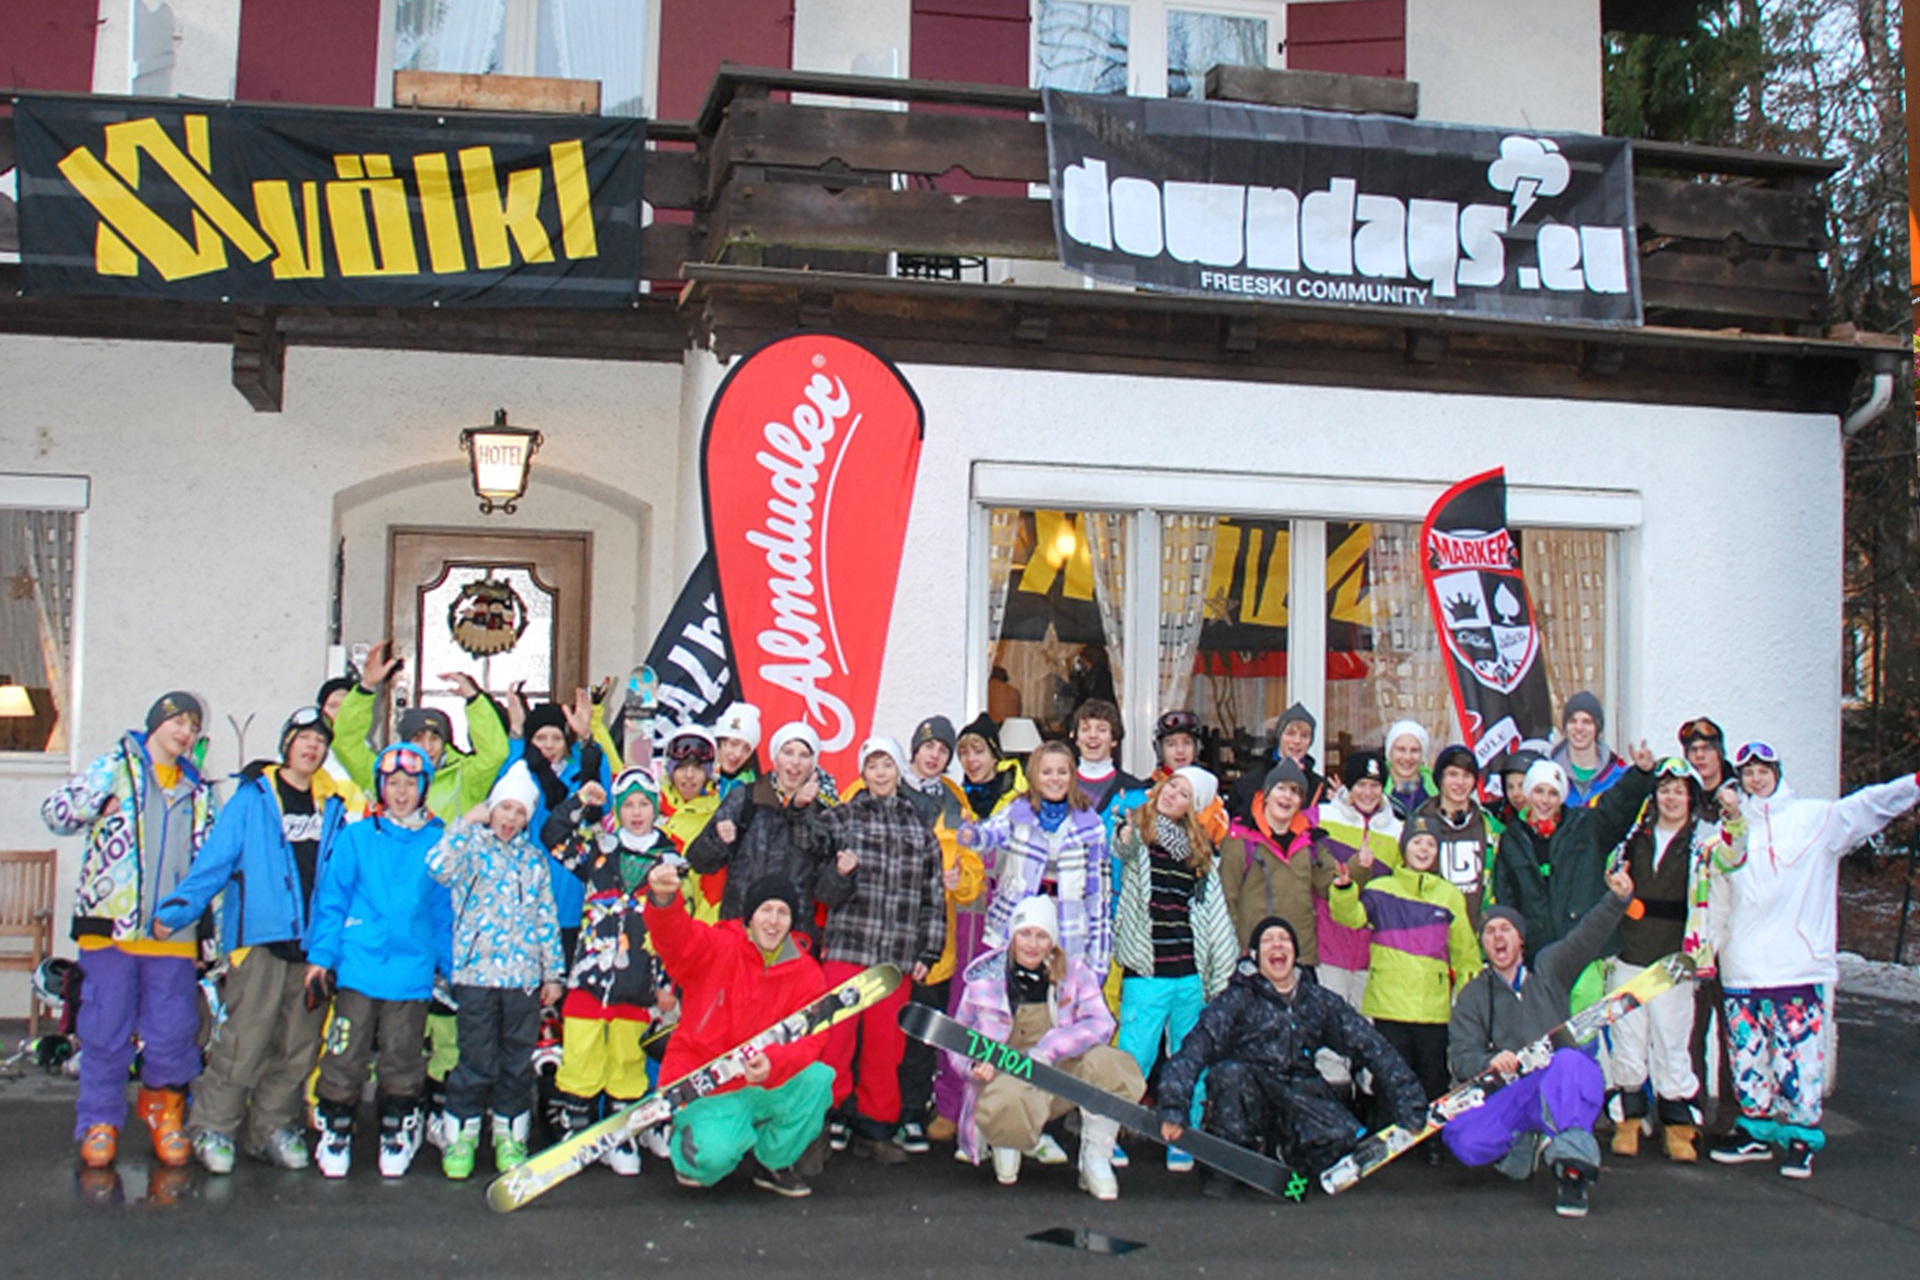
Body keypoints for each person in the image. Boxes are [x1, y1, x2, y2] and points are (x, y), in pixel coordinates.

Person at [150, 707, 354, 1174]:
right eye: (304, 738)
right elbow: (216, 861)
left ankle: (272, 1127)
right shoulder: (254, 798)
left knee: (297, 1046)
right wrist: (178, 910)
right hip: (260, 940)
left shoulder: (334, 806)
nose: (312, 747)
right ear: (286, 744)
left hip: (314, 949)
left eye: (320, 741)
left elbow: (345, 880)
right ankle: (213, 1126)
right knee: (244, 1040)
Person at [1708, 741, 1919, 1178]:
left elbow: (1868, 806)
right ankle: (1755, 1130)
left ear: (1777, 772)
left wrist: (1912, 785)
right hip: (1743, 965)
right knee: (1747, 1056)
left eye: (1764, 771)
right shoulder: (1730, 828)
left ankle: (1801, 1137)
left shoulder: (1814, 819)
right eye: (1748, 773)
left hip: (1797, 965)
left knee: (1798, 1058)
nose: (1756, 780)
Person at [42, 691, 217, 1170]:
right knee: (105, 1029)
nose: (185, 733)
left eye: (193, 727)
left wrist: (209, 932)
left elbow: (210, 866)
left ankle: (165, 1112)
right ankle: (99, 1120)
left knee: (173, 1030)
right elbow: (56, 813)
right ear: (155, 723)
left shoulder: (198, 788)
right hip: (109, 928)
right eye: (178, 722)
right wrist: (94, 804)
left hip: (171, 932)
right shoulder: (113, 768)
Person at [1156, 916, 1426, 1198]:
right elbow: (1193, 1050)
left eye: (1284, 940)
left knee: (1341, 1138)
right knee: (1230, 1075)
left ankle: (1283, 1154)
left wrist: (1408, 1099)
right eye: (1268, 940)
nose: (1278, 946)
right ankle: (1229, 1165)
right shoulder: (1235, 999)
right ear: (1255, 955)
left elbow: (1371, 1046)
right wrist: (1173, 1107)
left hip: (1298, 1091)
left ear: (1295, 953)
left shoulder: (1317, 1000)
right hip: (1248, 1092)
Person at [1443, 872, 1637, 1219]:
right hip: (1513, 1090)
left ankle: (1573, 1171)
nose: (1498, 937)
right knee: (1463, 1139)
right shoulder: (1473, 994)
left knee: (1571, 1061)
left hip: (1558, 1081)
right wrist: (1489, 1061)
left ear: (1520, 938)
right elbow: (1461, 1056)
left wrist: (1616, 899)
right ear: (1482, 943)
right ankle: (1523, 1143)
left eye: (1506, 929)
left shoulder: (1550, 969)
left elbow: (1587, 937)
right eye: (1489, 931)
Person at [305, 742, 452, 1179]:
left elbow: (443, 912)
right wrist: (321, 956)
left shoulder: (437, 841)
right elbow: (332, 899)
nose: (401, 793)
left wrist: (452, 966)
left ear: (424, 788)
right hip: (359, 963)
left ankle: (397, 1123)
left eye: (410, 784)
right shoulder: (356, 837)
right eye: (393, 783)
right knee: (346, 1048)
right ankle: (336, 1124)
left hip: (411, 968)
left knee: (402, 1051)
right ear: (380, 787)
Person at [643, 864, 835, 1198]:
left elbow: (812, 1039)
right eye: (766, 910)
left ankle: (773, 1162)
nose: (773, 921)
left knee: (818, 1079)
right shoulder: (717, 946)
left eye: (783, 912)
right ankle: (692, 1140)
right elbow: (676, 940)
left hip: (764, 1081)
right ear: (750, 915)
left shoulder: (805, 972)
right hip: (705, 1086)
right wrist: (663, 900)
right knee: (707, 1163)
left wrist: (774, 1063)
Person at [952, 895, 1145, 1200]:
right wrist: (974, 1066)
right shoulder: (985, 980)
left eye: (1041, 936)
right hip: (1007, 1077)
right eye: (1025, 934)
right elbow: (957, 1037)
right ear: (1012, 936)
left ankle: (1095, 1156)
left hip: (1058, 1074)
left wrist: (1050, 1048)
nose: (1032, 944)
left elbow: (1102, 1023)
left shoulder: (1075, 972)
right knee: (1006, 1161)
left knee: (1109, 1064)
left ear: (1053, 940)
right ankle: (1006, 1141)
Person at [426, 762, 566, 1179]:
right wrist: (465, 823)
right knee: (475, 1058)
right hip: (476, 976)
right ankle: (461, 1134)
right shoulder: (471, 848)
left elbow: (545, 917)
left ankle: (509, 1133)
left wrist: (552, 973)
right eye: (505, 808)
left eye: (519, 812)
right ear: (492, 808)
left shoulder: (534, 861)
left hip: (522, 980)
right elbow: (437, 866)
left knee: (516, 1061)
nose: (510, 818)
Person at [813, 737, 947, 1163]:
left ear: (899, 770)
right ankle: (826, 1118)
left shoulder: (919, 827)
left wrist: (929, 951)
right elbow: (819, 880)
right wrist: (837, 872)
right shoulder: (841, 818)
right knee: (835, 1041)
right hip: (847, 946)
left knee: (885, 1047)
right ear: (863, 773)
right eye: (872, 766)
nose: (880, 773)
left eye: (887, 764)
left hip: (895, 955)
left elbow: (933, 896)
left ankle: (876, 1126)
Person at [1607, 759, 1746, 1163]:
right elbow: (1610, 877)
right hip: (1629, 955)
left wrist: (1734, 817)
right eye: (1664, 790)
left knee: (1672, 1043)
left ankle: (1678, 1126)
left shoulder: (1703, 845)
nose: (1671, 798)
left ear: (1691, 798)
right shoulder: (1633, 839)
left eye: (1679, 791)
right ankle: (1628, 1122)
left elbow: (1734, 856)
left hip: (1675, 963)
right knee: (1628, 1042)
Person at [541, 766, 678, 1174]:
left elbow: (677, 926)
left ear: (655, 808)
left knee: (627, 1060)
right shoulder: (599, 849)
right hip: (590, 976)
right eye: (628, 805)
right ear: (617, 810)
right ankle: (576, 1127)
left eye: (643, 804)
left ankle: (621, 1134)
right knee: (580, 1054)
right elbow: (552, 836)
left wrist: (666, 982)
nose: (636, 813)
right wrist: (581, 801)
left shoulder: (671, 860)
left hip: (638, 980)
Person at [1112, 766, 1238, 1171]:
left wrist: (1218, 971)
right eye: (1172, 786)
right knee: (1133, 1057)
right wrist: (1124, 836)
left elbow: (1213, 915)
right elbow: (1124, 850)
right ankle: (1108, 1132)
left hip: (1189, 973)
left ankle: (1183, 1133)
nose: (1173, 795)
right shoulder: (1140, 831)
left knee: (1189, 1058)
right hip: (1147, 970)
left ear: (1192, 806)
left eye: (1184, 793)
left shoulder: (1200, 854)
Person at [1328, 813, 1482, 1127]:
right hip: (1389, 1005)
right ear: (1404, 847)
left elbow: (1465, 951)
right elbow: (1351, 917)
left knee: (1432, 1080)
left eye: (1430, 844)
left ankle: (1431, 1141)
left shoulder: (1448, 894)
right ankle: (1388, 1136)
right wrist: (1344, 890)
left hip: (1432, 1009)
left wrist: (1469, 995)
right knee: (1389, 1079)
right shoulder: (1380, 888)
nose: (1423, 849)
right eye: (1416, 842)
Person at [1493, 743, 1657, 1012]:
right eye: (1539, 791)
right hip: (1539, 953)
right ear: (1528, 793)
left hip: (1584, 947)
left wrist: (1640, 774)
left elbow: (1617, 806)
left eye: (1552, 793)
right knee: (1549, 1025)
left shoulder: (1586, 825)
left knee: (1583, 1025)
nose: (1545, 800)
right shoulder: (1512, 839)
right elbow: (1506, 898)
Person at [892, 715, 986, 1153]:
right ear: (914, 748)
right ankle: (863, 1112)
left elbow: (973, 863)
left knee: (921, 1029)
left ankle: (912, 1111)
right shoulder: (884, 781)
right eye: (928, 746)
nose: (934, 755)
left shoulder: (954, 799)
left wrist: (960, 881)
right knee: (878, 1027)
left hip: (935, 937)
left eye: (943, 750)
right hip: (885, 928)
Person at [960, 739, 1113, 979]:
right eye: (1047, 772)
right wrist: (973, 834)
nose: (1055, 779)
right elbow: (990, 834)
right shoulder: (1019, 811)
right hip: (1017, 926)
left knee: (1057, 998)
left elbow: (1098, 898)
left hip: (1068, 931)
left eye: (1062, 772)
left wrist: (1098, 965)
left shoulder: (1091, 825)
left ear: (1072, 776)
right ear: (1035, 776)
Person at [686, 720, 833, 941]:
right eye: (788, 752)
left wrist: (801, 811)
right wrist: (717, 840)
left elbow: (826, 888)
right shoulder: (745, 798)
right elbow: (698, 861)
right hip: (740, 931)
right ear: (775, 756)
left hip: (792, 938)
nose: (795, 762)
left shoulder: (823, 813)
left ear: (813, 763)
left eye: (804, 755)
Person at [333, 640, 510, 820]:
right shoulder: (384, 774)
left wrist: (474, 699)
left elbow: (495, 753)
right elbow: (346, 744)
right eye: (418, 739)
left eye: (434, 738)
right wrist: (366, 688)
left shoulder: (462, 777)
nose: (427, 747)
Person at [504, 689, 611, 962]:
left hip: (572, 891)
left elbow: (604, 800)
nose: (549, 745)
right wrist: (516, 735)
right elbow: (503, 798)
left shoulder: (580, 770)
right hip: (529, 893)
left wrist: (586, 738)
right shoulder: (525, 772)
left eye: (556, 738)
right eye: (541, 738)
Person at [1677, 716, 1739, 1135]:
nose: (1700, 757)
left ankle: (1734, 1113)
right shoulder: (1686, 798)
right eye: (1693, 751)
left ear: (1719, 752)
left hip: (1732, 928)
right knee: (1691, 1026)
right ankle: (1694, 1110)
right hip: (1694, 930)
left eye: (1706, 749)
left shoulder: (1738, 798)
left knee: (1732, 1027)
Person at [1218, 760, 1334, 964]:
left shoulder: (1311, 842)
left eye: (1295, 791)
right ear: (1265, 794)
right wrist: (1236, 948)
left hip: (1301, 957)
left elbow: (1331, 888)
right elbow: (1227, 900)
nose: (1287, 796)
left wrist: (1359, 867)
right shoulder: (1240, 840)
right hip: (1255, 956)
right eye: (1281, 788)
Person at [1313, 749, 1402, 1015]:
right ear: (1348, 786)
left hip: (1372, 953)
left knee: (1365, 1029)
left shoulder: (1397, 831)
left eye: (1375, 785)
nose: (1368, 793)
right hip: (1328, 946)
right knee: (1330, 1027)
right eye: (1361, 785)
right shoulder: (1322, 817)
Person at [1413, 745, 1500, 931]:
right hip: (1430, 933)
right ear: (1440, 779)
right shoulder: (1418, 824)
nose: (1460, 782)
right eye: (1453, 774)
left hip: (1477, 933)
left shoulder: (1489, 827)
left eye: (1467, 775)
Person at [658, 725, 726, 921]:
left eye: (697, 768)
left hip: (691, 923)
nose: (689, 775)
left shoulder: (719, 816)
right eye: (681, 767)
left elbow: (712, 892)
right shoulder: (650, 803)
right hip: (645, 921)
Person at [1226, 702, 1326, 827]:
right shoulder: (1250, 781)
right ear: (1280, 736)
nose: (1297, 741)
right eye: (1291, 734)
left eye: (1304, 736)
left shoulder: (1319, 786)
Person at [1151, 710, 1229, 843]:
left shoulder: (1210, 799)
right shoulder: (1147, 793)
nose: (1180, 751)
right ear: (1160, 749)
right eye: (1171, 744)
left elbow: (1222, 844)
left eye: (1187, 743)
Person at [1548, 691, 1627, 807]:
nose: (1579, 728)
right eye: (1573, 721)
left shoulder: (1619, 775)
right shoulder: (1549, 773)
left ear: (1597, 727)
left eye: (1587, 722)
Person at [1070, 698, 1144, 817]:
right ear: (1076, 738)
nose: (1093, 735)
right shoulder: (1060, 786)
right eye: (1085, 729)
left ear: (1114, 739)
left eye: (1102, 730)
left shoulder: (1133, 791)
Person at [955, 712, 1025, 822]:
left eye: (978, 751)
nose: (970, 759)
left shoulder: (1022, 793)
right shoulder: (955, 800)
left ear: (995, 756)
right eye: (964, 753)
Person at [1383, 719, 1436, 821]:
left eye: (1414, 750)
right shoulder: (1377, 785)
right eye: (1401, 749)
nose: (1407, 757)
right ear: (1390, 752)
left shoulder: (1436, 786)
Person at [712, 701, 763, 798]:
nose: (738, 754)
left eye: (747, 749)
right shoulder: (696, 778)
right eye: (733, 744)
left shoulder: (754, 791)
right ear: (719, 742)